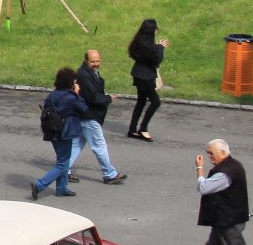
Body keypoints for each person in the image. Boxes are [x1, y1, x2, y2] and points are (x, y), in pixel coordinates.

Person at [72, 50, 125, 185]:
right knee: (99, 145)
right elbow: (93, 97)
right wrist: (108, 98)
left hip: (84, 115)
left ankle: (63, 170)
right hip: (90, 116)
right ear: (86, 61)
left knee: (76, 145)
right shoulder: (84, 75)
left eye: (97, 61)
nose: (96, 64)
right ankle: (110, 174)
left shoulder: (87, 72)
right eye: (93, 61)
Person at [31, 67, 84, 200]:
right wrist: (77, 94)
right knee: (62, 163)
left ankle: (62, 188)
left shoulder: (52, 95)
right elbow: (84, 109)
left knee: (63, 160)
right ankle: (39, 184)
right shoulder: (71, 97)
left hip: (52, 131)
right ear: (70, 82)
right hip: (65, 132)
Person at [125, 18, 168, 140]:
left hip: (139, 74)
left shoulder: (139, 41)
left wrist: (157, 46)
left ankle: (132, 129)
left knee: (141, 101)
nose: (157, 30)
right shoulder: (147, 45)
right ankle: (143, 128)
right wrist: (160, 47)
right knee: (155, 102)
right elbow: (157, 59)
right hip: (146, 77)